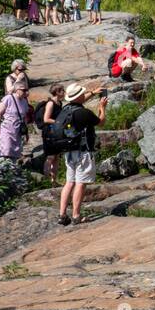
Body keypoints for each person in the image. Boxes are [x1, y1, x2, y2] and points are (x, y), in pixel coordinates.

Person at [56, 83, 108, 226]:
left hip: (69, 151)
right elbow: (101, 122)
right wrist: (102, 108)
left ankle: (62, 215)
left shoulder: (65, 110)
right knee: (80, 183)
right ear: (79, 96)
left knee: (69, 182)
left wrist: (92, 93)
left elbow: (79, 101)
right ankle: (76, 216)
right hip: (83, 152)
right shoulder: (84, 113)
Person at [0, 82, 31, 162]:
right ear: (17, 90)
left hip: (18, 131)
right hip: (7, 129)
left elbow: (24, 117)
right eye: (23, 90)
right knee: (5, 150)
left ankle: (11, 169)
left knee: (15, 152)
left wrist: (26, 132)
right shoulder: (8, 98)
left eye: (26, 90)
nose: (26, 92)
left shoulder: (24, 101)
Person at [40, 83, 66, 183]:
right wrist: (59, 122)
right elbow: (46, 119)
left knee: (56, 157)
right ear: (57, 92)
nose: (64, 92)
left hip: (56, 133)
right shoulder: (51, 103)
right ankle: (47, 180)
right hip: (49, 133)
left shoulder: (59, 103)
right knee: (50, 157)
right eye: (62, 90)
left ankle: (53, 180)